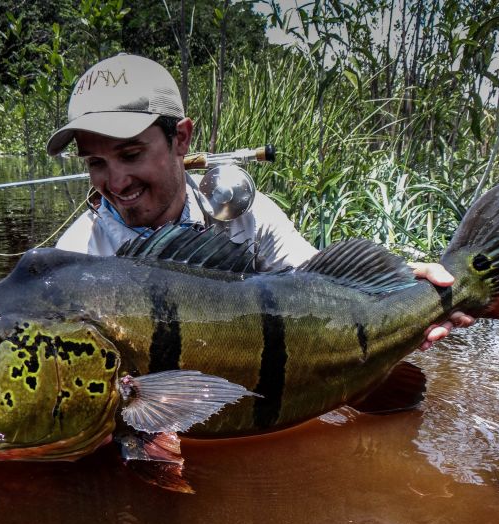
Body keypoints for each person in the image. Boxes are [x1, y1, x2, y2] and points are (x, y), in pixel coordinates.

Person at [46, 53, 473, 348]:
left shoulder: (248, 218)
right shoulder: (74, 258)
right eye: (96, 162)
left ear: (181, 138)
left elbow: (320, 286)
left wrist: (408, 290)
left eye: (131, 154)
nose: (116, 181)